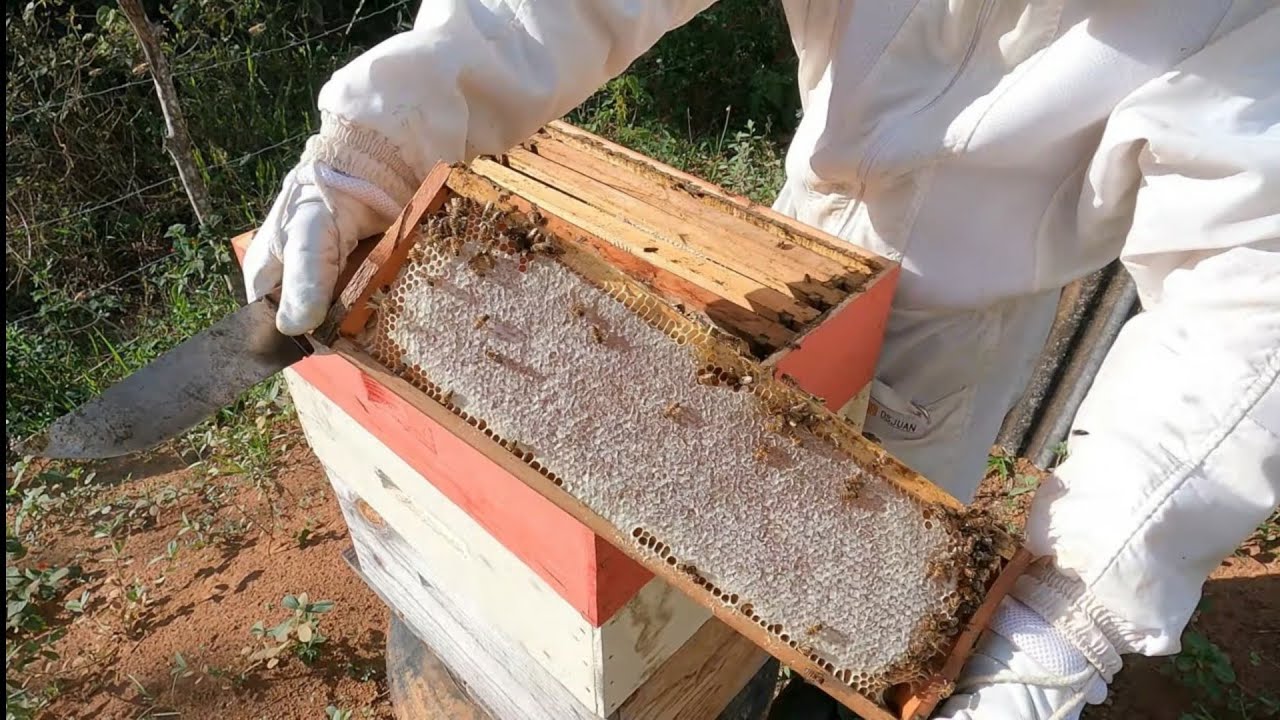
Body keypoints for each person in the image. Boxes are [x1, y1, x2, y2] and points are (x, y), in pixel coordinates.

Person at [241, 2, 1280, 718]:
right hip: (793, 261)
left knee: (870, 604)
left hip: (954, 337)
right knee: (696, 574)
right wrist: (393, 122)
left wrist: (1084, 601)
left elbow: (1250, 301)